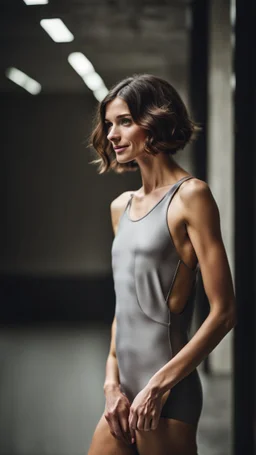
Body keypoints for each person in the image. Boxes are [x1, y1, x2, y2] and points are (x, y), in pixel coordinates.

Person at [87, 74, 236, 455]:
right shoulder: (120, 207)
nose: (112, 135)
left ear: (154, 122)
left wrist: (158, 386)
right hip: (123, 396)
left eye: (124, 121)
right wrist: (110, 386)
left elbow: (224, 312)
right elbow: (125, 309)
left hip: (168, 397)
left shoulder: (192, 197)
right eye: (108, 124)